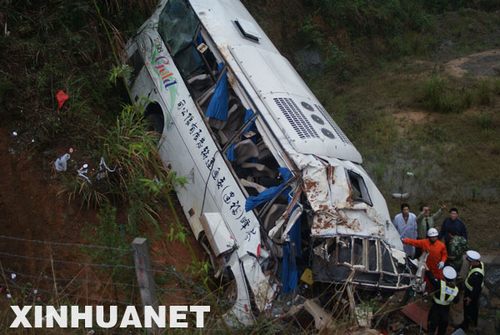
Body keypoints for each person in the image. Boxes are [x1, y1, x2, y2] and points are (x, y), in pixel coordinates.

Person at [427, 266, 459, 335]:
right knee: (442, 330)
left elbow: (431, 278)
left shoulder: (439, 284)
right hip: (445, 312)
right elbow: (456, 301)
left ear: (444, 276)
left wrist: (427, 269)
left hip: (435, 310)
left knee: (431, 328)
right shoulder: (455, 290)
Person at [459, 250, 485, 332]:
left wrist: (469, 298)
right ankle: (472, 322)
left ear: (474, 261)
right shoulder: (480, 264)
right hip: (471, 292)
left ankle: (466, 325)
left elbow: (476, 289)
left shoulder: (477, 275)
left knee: (468, 309)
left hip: (471, 294)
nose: (469, 263)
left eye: (470, 262)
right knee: (473, 308)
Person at [439, 208, 468, 272]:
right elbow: (442, 231)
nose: (453, 215)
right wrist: (438, 239)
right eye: (452, 213)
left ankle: (456, 272)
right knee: (446, 257)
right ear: (450, 214)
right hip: (447, 243)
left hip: (457, 246)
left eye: (454, 214)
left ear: (457, 215)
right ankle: (446, 271)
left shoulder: (460, 224)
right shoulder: (446, 221)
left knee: (456, 260)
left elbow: (464, 236)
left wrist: (463, 246)